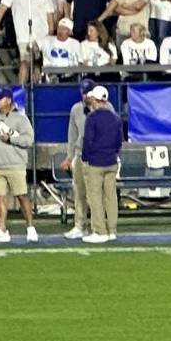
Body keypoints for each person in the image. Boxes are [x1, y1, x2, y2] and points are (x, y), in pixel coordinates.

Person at [0, 88, 37, 243]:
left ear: (9, 100)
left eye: (0, 98)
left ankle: (31, 227)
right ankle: (2, 230)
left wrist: (11, 139)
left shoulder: (21, 119)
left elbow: (28, 140)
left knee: (22, 196)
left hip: (15, 165)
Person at [73, 83, 124, 243]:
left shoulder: (92, 118)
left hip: (95, 162)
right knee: (111, 197)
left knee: (95, 197)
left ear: (95, 100)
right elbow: (118, 141)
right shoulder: (116, 118)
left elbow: (87, 141)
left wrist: (85, 158)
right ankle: (112, 230)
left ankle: (99, 231)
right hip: (111, 161)